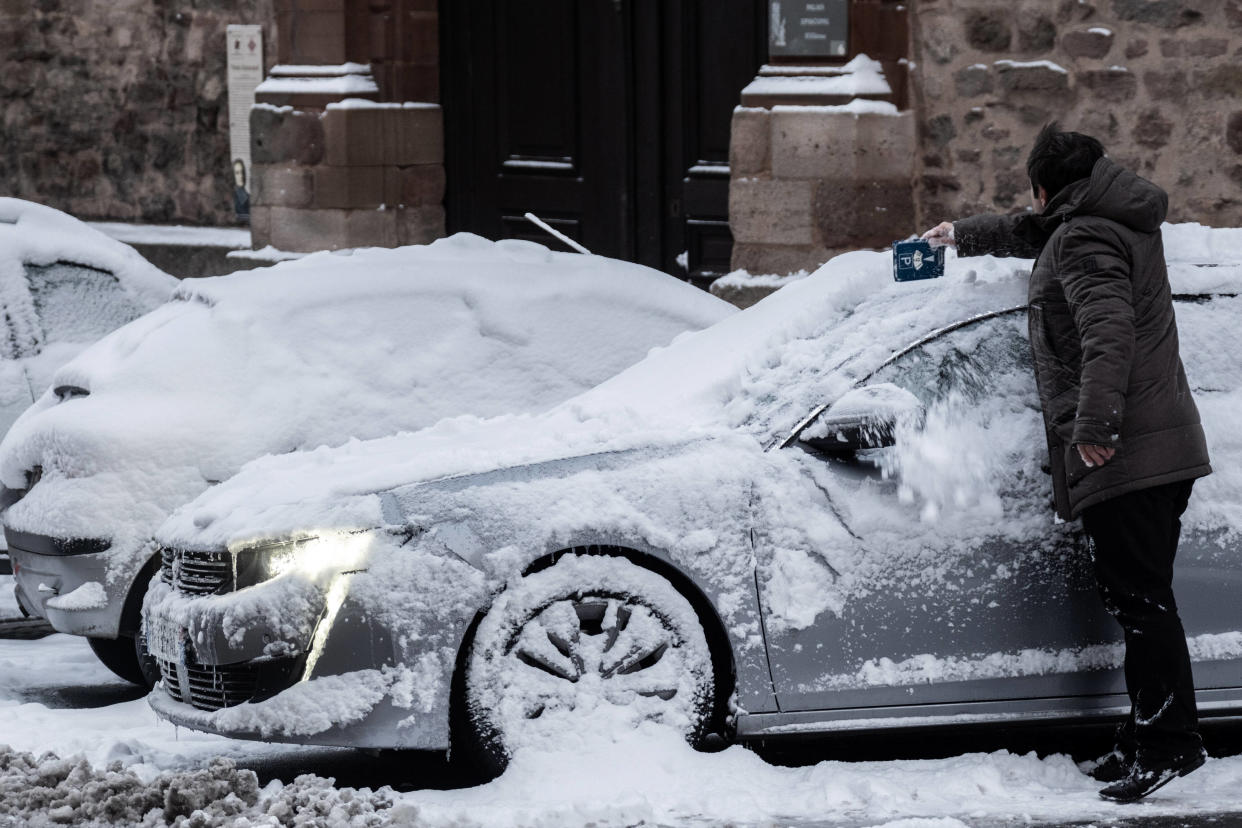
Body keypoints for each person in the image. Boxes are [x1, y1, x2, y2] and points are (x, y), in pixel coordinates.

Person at [921, 123, 1211, 803]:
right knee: (1140, 600)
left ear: (1046, 184)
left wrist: (1096, 428)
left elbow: (1109, 335)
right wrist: (963, 235)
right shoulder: (1109, 217)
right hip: (1159, 445)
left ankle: (1170, 744)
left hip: (1130, 451)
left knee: (1142, 605)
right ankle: (1150, 734)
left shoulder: (1084, 237)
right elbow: (1037, 232)